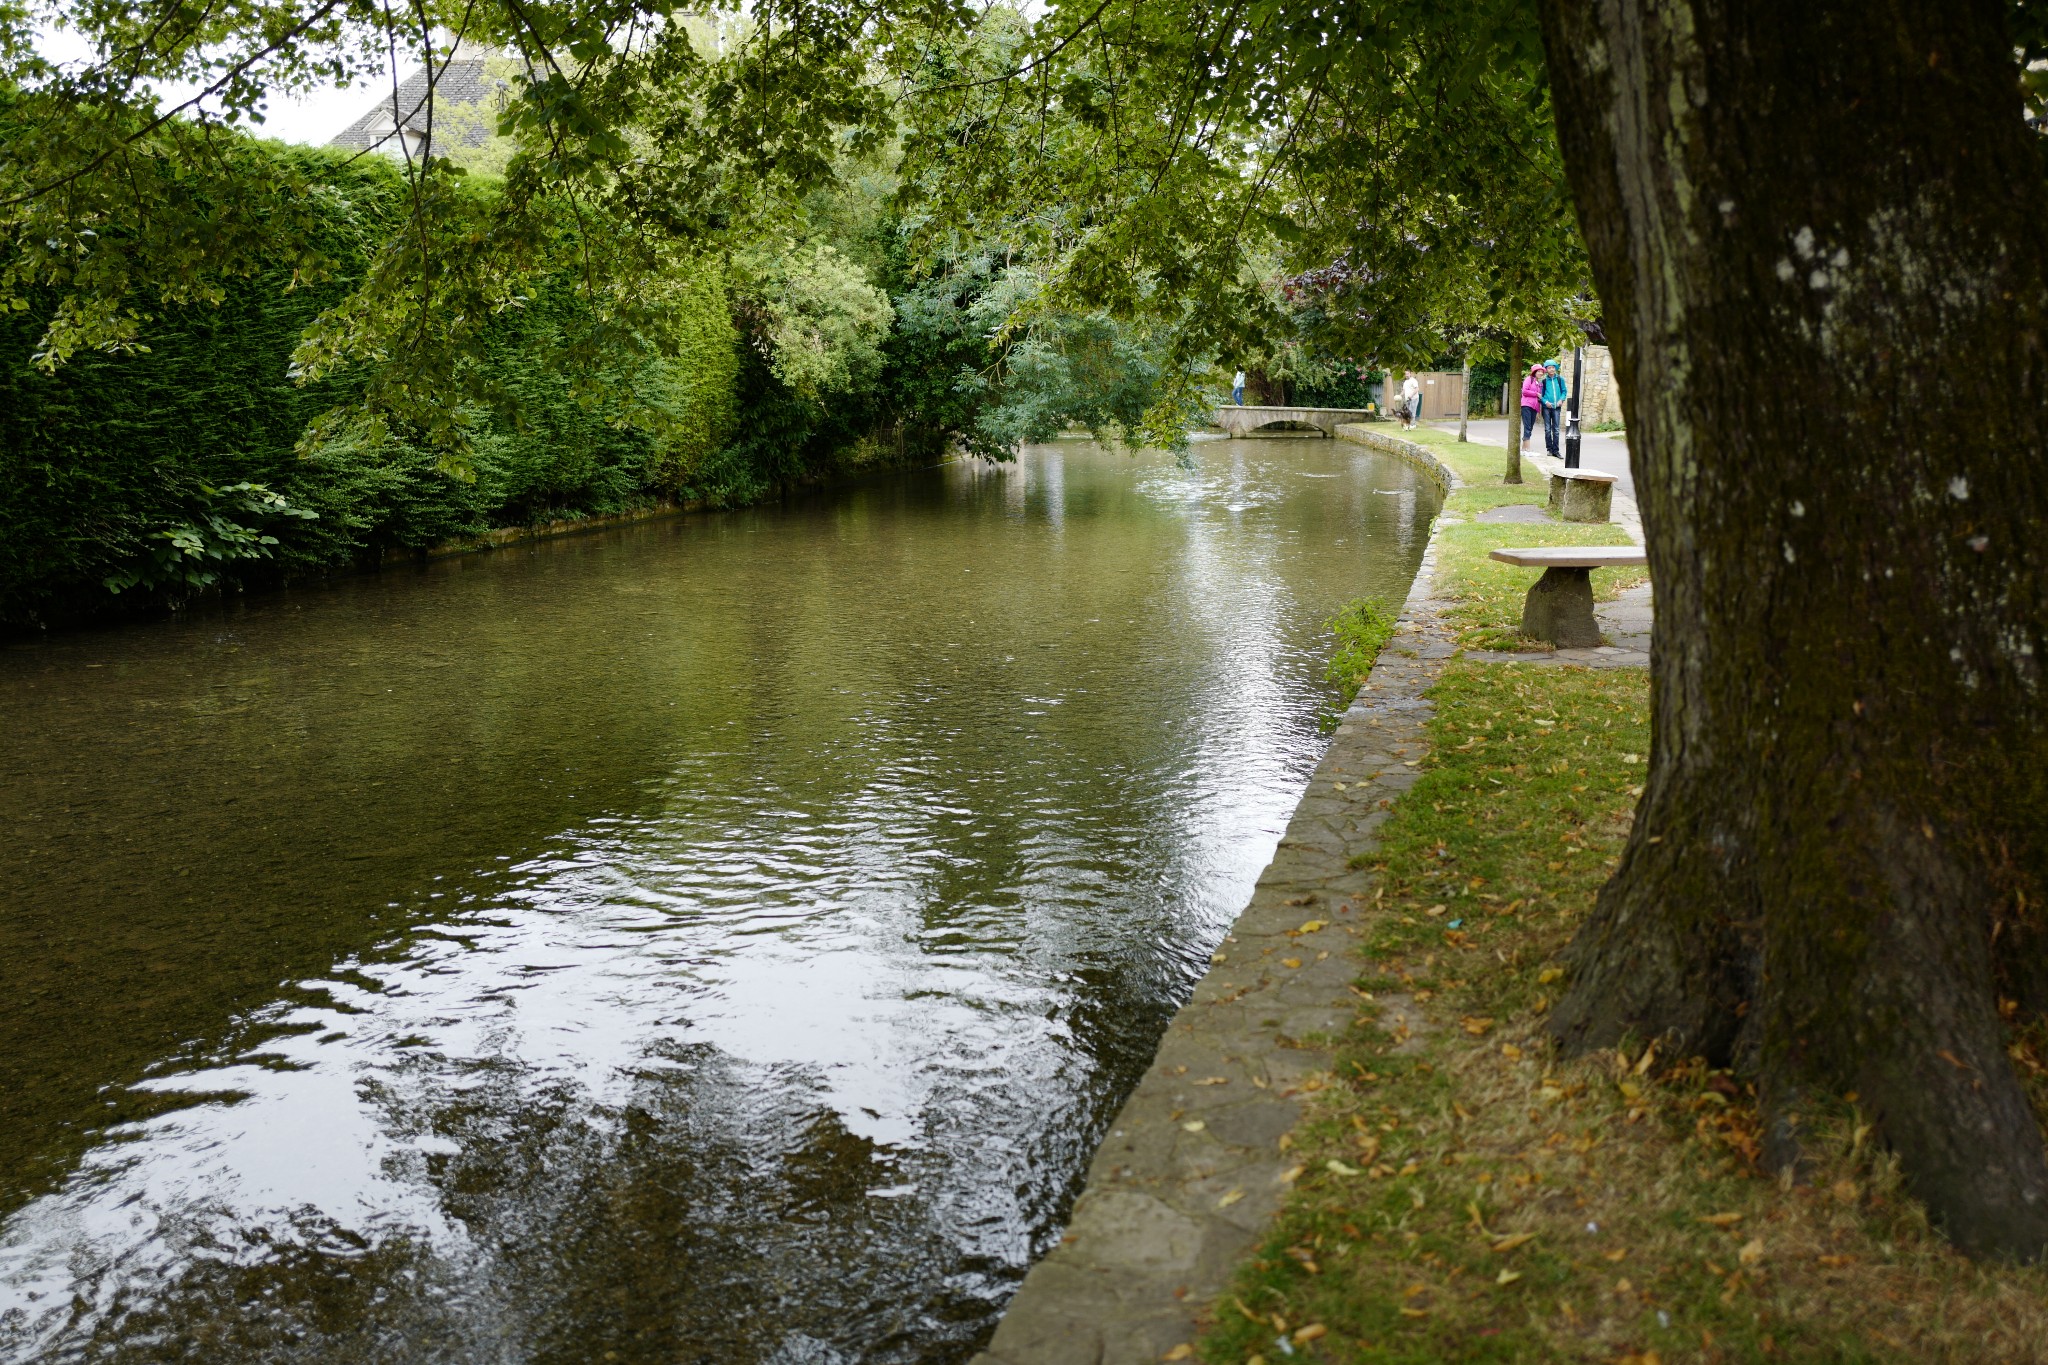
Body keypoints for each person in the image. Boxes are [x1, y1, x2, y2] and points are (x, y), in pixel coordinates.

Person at [1540, 360, 1569, 456]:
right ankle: (1549, 450)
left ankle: (1556, 451)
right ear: (1546, 370)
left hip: (1557, 408)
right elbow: (1540, 395)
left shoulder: (1560, 379)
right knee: (1547, 429)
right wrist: (1546, 402)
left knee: (1556, 429)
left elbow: (1564, 391)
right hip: (1546, 408)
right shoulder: (1543, 381)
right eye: (1549, 368)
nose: (1551, 369)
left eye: (1553, 367)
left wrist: (1561, 400)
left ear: (1555, 368)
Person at [1519, 363, 1545, 452]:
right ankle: (1527, 448)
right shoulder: (1528, 379)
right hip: (1526, 405)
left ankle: (1524, 447)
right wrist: (1536, 394)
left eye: (1542, 371)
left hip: (1535, 407)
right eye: (1539, 371)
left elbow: (1539, 398)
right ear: (1534, 372)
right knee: (1527, 426)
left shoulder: (1539, 383)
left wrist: (1538, 410)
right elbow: (1524, 391)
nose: (1541, 373)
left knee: (1530, 426)